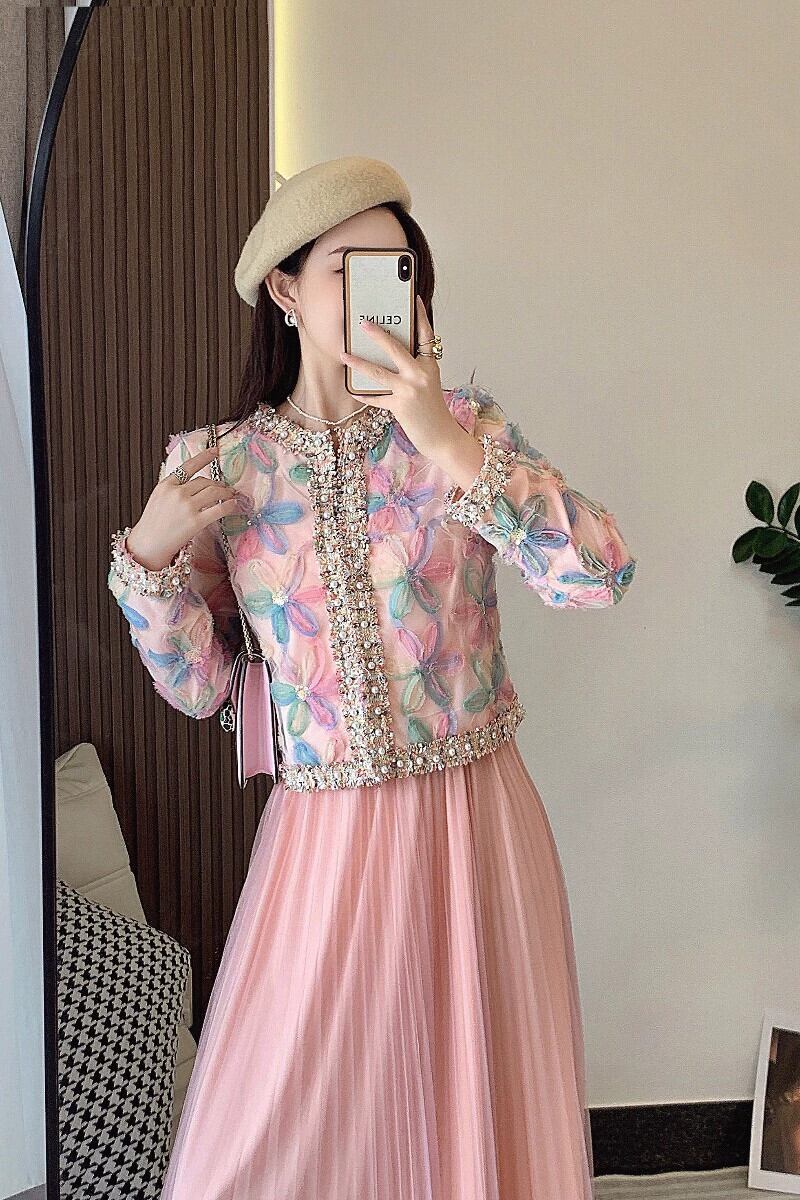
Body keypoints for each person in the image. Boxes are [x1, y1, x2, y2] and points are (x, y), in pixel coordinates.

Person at [107, 155, 638, 1200]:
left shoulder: (463, 430)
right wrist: (150, 560)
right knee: (266, 1139)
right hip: (324, 850)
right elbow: (203, 688)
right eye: (348, 267)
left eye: (399, 270)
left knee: (479, 1119)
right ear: (286, 288)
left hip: (478, 827)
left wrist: (445, 443)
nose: (379, 292)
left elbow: (600, 574)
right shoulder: (223, 467)